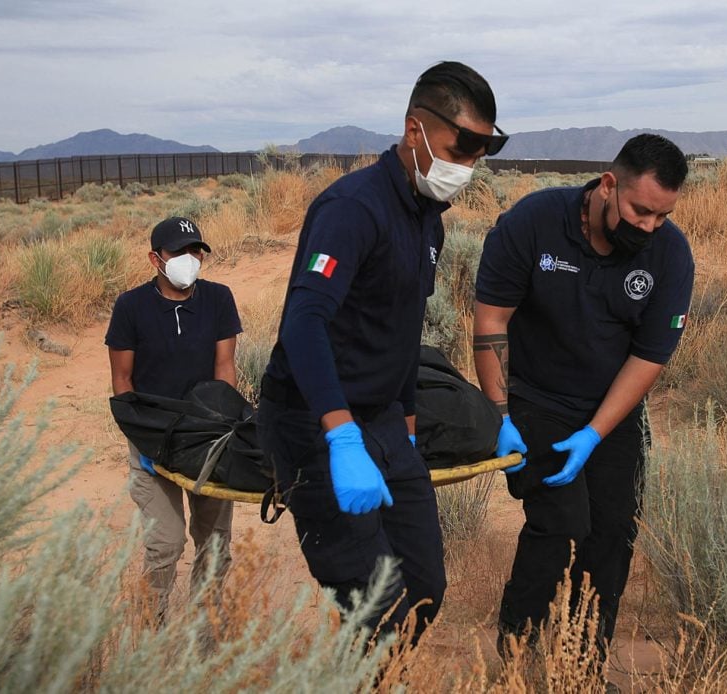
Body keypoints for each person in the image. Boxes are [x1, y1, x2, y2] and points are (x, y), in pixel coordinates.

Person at [257, 61, 506, 639]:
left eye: (480, 152)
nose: (467, 165)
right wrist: (341, 435)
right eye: (460, 146)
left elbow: (402, 328)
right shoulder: (352, 209)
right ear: (414, 129)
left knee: (423, 592)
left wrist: (409, 429)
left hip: (387, 423)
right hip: (315, 423)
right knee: (379, 611)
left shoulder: (428, 223)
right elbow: (304, 322)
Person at [472, 133, 693, 664]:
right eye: (641, 211)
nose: (649, 228)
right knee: (562, 522)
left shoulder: (669, 253)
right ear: (608, 185)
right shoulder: (533, 222)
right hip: (533, 399)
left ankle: (583, 661)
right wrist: (502, 416)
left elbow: (649, 357)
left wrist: (596, 433)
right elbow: (491, 321)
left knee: (613, 533)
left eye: (661, 216)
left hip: (610, 408)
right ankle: (517, 646)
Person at [105, 216, 242, 622]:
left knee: (214, 540)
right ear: (155, 259)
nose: (192, 259)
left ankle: (205, 625)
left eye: (197, 250)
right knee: (164, 543)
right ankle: (152, 627)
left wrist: (223, 427)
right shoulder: (131, 307)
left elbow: (226, 367)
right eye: (180, 252)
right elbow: (122, 380)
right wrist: (143, 440)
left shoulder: (219, 299)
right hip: (153, 439)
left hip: (207, 437)